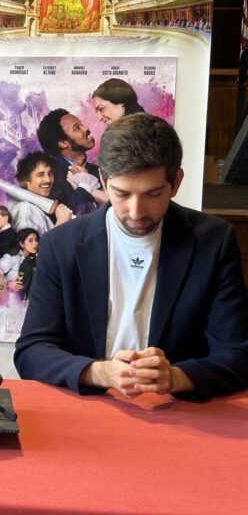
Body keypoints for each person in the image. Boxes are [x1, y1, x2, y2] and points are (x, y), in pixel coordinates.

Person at [14, 113, 248, 401]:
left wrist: (176, 377)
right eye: (122, 194)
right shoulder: (61, 244)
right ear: (103, 180)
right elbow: (32, 351)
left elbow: (238, 355)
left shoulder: (213, 241)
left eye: (153, 194)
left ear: (176, 182)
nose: (136, 212)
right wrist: (100, 373)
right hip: (88, 409)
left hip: (177, 412)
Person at [37, 108, 106, 214]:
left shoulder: (98, 170)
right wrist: (84, 185)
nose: (86, 128)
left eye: (82, 124)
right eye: (77, 128)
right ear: (63, 143)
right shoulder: (51, 176)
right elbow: (65, 216)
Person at [10, 151, 72, 236]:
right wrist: (61, 223)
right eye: (40, 175)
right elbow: (30, 244)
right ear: (26, 179)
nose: (48, 180)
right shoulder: (26, 210)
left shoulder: (38, 208)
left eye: (50, 173)